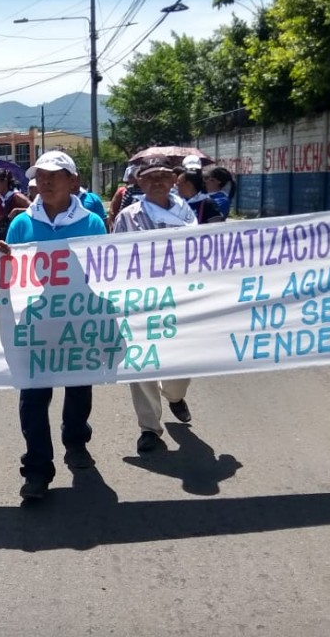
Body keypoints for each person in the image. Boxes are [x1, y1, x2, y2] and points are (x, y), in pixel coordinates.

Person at [0, 150, 107, 501]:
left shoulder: (92, 222)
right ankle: (38, 470)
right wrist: (2, 260)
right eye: (41, 175)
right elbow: (9, 275)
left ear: (73, 181)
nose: (45, 180)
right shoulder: (21, 224)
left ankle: (75, 441)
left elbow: (106, 272)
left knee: (78, 387)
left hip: (78, 319)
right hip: (36, 322)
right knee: (32, 397)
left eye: (55, 174)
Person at [113, 156, 198, 453]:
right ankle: (149, 428)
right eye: (150, 177)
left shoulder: (189, 214)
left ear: (174, 179)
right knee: (142, 365)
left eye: (163, 175)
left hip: (180, 301)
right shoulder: (128, 217)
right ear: (140, 182)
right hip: (142, 302)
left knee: (180, 368)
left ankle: (174, 396)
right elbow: (115, 259)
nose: (157, 181)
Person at [0, 167, 30, 243]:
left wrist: (17, 211)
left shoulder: (16, 196)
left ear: (4, 181)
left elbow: (35, 209)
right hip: (0, 236)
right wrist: (5, 217)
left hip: (16, 234)